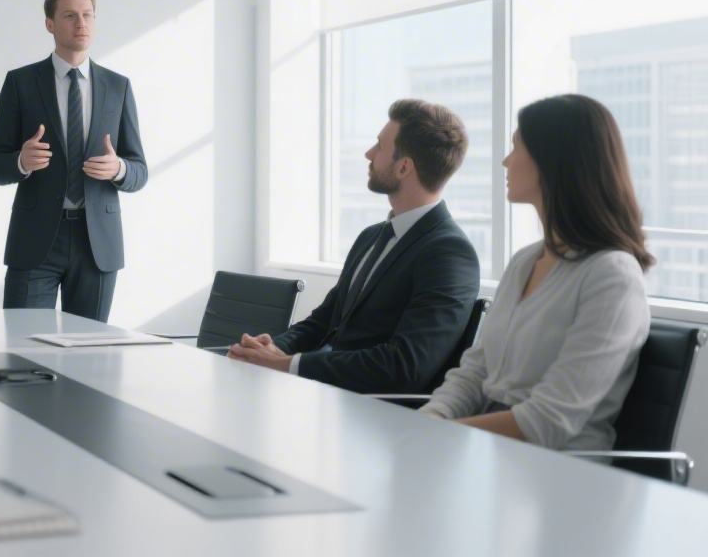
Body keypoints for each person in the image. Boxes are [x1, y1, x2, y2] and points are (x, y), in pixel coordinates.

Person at [420, 95, 652, 451]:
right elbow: (476, 371)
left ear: (554, 159)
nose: (506, 160)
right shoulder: (525, 262)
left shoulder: (612, 276)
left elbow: (549, 421)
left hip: (557, 473)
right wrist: (431, 419)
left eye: (516, 146)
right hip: (489, 453)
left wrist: (442, 438)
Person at [229, 99, 480, 394]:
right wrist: (270, 348)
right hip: (331, 396)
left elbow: (404, 366)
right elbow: (324, 322)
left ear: (404, 167)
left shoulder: (449, 253)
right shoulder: (371, 237)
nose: (368, 154)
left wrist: (287, 365)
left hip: (378, 420)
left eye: (380, 147)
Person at [0, 0, 148, 323]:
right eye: (70, 15)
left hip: (97, 245)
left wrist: (118, 168)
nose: (81, 23)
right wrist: (20, 161)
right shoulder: (21, 83)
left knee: (87, 354)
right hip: (35, 241)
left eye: (88, 15)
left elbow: (139, 170)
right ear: (50, 24)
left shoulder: (118, 86)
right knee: (22, 348)